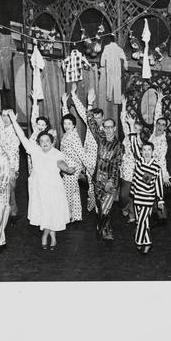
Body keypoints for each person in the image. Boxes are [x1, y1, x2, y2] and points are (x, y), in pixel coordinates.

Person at [9, 111, 76, 249]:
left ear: (52, 142)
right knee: (45, 211)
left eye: (47, 141)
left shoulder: (57, 153)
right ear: (38, 143)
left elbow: (61, 163)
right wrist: (13, 120)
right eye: (42, 141)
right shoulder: (34, 150)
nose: (45, 143)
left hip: (54, 187)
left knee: (52, 210)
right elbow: (21, 136)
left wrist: (67, 169)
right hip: (39, 187)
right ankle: (51, 235)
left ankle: (47, 235)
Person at [86, 106, 124, 241]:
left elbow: (116, 165)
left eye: (110, 127)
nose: (108, 130)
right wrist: (90, 104)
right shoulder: (100, 138)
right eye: (106, 127)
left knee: (106, 208)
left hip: (110, 182)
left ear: (114, 128)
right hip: (97, 179)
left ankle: (102, 228)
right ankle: (105, 230)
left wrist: (111, 181)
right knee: (101, 207)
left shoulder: (119, 146)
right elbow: (91, 124)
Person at [0, 86, 21, 218]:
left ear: (15, 116)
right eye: (4, 116)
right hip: (0, 164)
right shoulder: (2, 127)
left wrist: (12, 169)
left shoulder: (16, 130)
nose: (5, 118)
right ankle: (6, 212)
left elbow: (13, 153)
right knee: (2, 190)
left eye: (8, 116)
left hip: (11, 167)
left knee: (9, 190)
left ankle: (13, 212)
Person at [129, 136, 165, 254]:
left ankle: (139, 241)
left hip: (148, 198)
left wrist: (160, 199)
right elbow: (134, 147)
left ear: (153, 152)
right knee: (143, 222)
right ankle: (148, 242)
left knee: (141, 221)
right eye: (144, 150)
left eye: (149, 150)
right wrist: (132, 132)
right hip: (137, 197)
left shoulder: (156, 167)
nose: (146, 152)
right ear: (141, 152)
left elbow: (158, 184)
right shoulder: (139, 161)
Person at [60, 84, 89, 223]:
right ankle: (76, 215)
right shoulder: (68, 133)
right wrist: (64, 104)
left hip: (71, 167)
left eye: (69, 124)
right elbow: (66, 117)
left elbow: (81, 153)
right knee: (74, 191)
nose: (66, 126)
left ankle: (68, 216)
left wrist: (86, 167)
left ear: (74, 125)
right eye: (65, 124)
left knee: (68, 191)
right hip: (68, 165)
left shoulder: (73, 136)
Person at [72, 87, 98, 212]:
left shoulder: (105, 131)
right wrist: (75, 96)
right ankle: (92, 202)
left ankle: (99, 207)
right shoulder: (90, 126)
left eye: (99, 118)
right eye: (94, 117)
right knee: (91, 187)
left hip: (100, 165)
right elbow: (84, 113)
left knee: (98, 188)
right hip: (89, 162)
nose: (96, 120)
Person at [118, 97, 142, 225]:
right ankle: (125, 207)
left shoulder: (139, 141)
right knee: (123, 195)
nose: (135, 130)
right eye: (135, 128)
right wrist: (124, 105)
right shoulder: (128, 135)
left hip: (134, 171)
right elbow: (123, 120)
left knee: (131, 195)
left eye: (138, 129)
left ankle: (132, 215)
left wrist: (132, 127)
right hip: (124, 169)